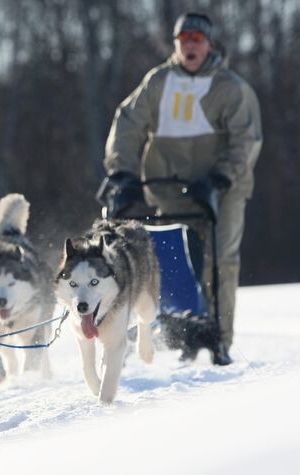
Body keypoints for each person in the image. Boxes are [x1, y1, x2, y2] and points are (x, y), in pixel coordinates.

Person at [98, 12, 262, 364]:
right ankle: (161, 329)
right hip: (168, 185)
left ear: (208, 44)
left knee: (221, 260)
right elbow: (127, 123)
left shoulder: (229, 87)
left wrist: (219, 178)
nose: (190, 44)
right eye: (183, 38)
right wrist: (122, 173)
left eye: (197, 39)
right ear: (176, 44)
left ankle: (220, 339)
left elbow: (246, 141)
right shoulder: (159, 82)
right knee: (156, 256)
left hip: (222, 187)